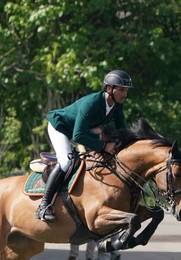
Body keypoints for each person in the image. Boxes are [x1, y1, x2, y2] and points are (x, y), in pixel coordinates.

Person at [36, 70, 133, 223]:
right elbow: (78, 136)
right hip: (59, 127)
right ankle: (44, 204)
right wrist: (103, 146)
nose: (125, 94)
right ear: (109, 89)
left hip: (79, 130)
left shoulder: (117, 106)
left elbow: (123, 132)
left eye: (126, 90)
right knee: (65, 161)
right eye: (121, 89)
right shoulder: (92, 103)